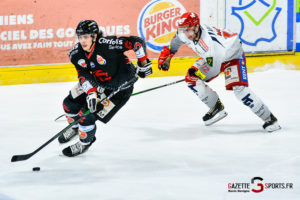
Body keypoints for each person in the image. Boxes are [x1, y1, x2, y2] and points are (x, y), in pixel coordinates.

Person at [158, 12, 281, 132]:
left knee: (240, 91)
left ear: (196, 27)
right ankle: (216, 107)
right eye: (183, 30)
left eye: (188, 30)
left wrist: (200, 76)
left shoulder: (210, 44)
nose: (186, 33)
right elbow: (175, 43)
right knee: (191, 78)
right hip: (213, 57)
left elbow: (214, 69)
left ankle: (271, 119)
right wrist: (166, 56)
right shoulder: (186, 34)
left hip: (232, 56)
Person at [59, 20, 152, 157]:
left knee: (86, 115)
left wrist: (143, 63)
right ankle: (75, 128)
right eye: (80, 37)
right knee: (68, 104)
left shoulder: (107, 45)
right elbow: (83, 74)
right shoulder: (76, 53)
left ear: (94, 36)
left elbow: (136, 42)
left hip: (119, 89)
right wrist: (91, 92)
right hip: (97, 83)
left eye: (86, 37)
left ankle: (85, 142)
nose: (82, 41)